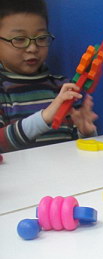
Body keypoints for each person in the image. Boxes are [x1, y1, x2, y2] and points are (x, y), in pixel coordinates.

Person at [0, 0, 97, 152]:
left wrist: (86, 133)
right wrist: (44, 117)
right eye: (19, 39)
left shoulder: (63, 88)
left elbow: (77, 150)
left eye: (41, 38)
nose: (32, 48)